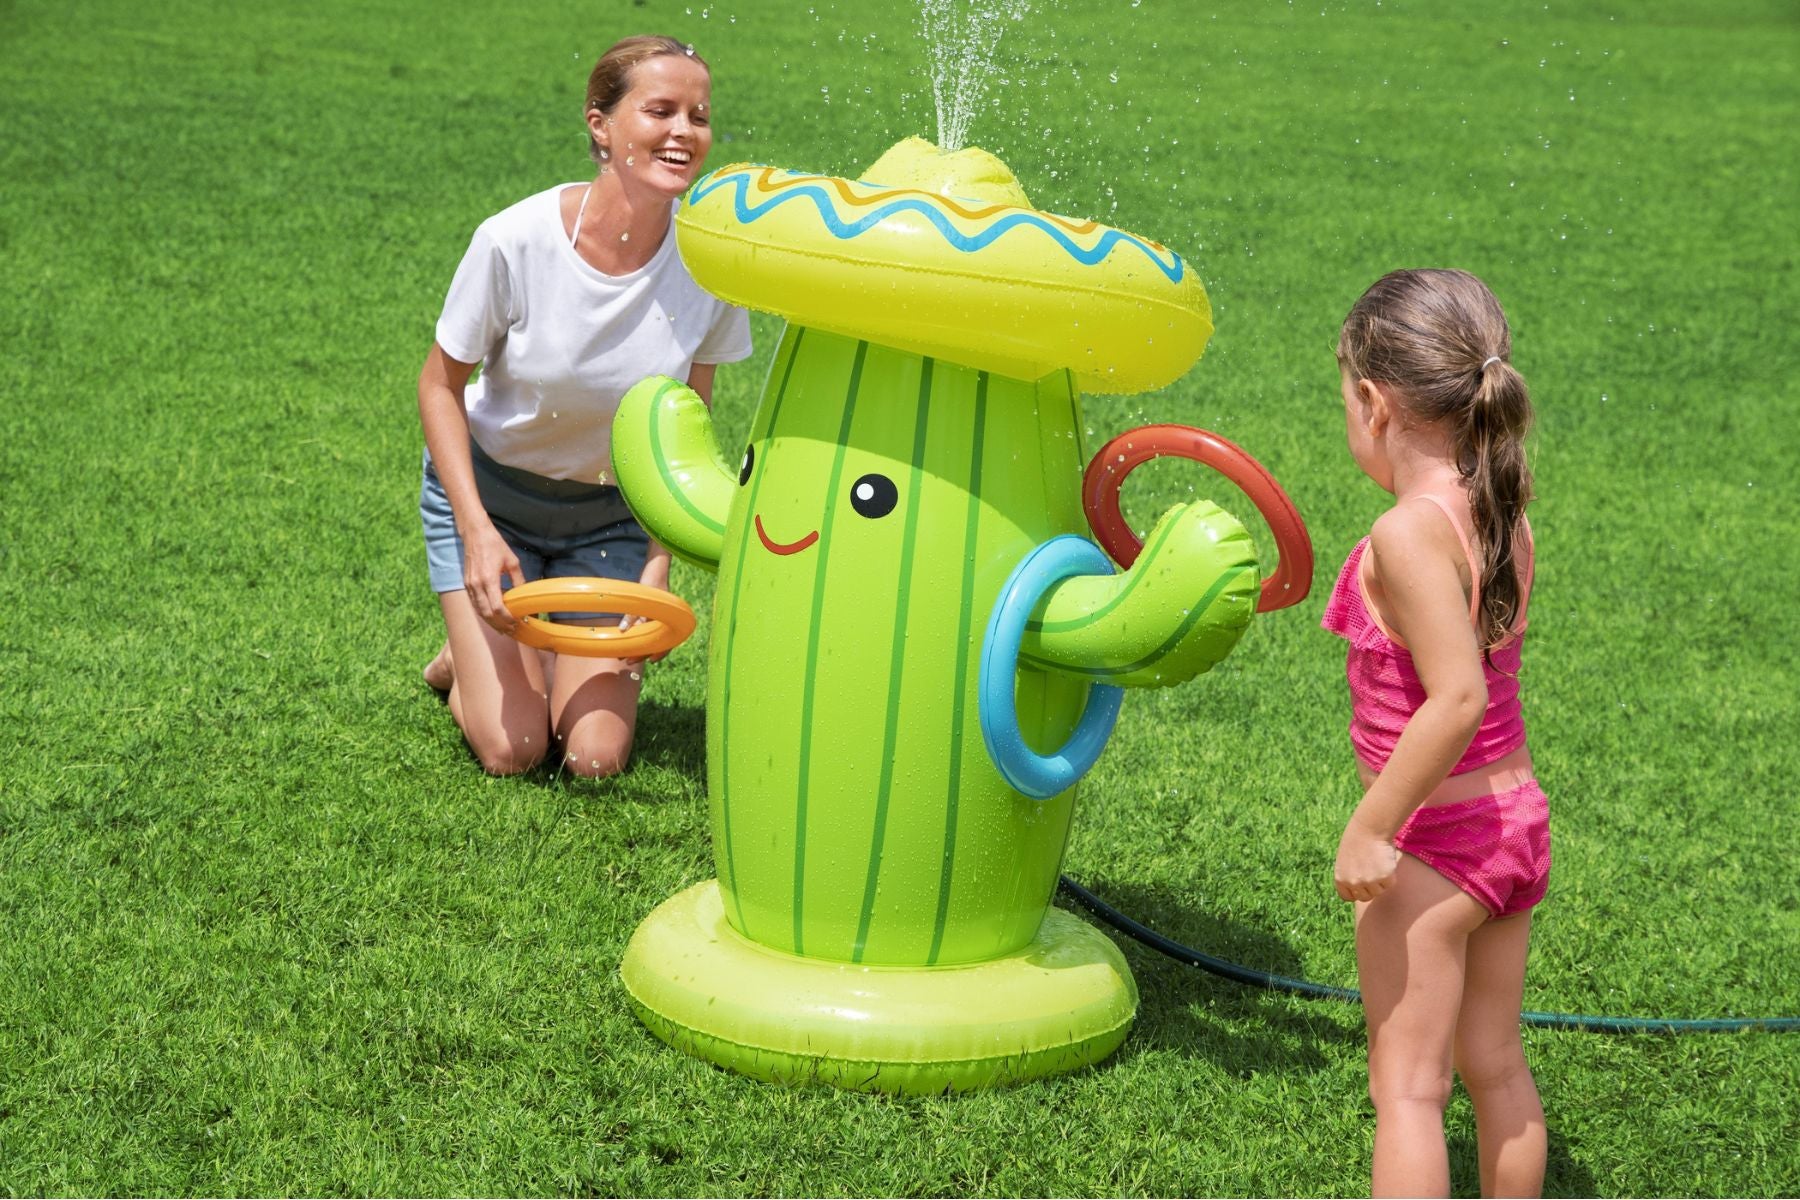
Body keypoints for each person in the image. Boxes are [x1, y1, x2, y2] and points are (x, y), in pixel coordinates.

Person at [417, 36, 750, 777]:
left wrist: (659, 564)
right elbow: (438, 386)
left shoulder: (711, 264)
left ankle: (491, 650)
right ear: (600, 125)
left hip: (612, 521)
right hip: (494, 504)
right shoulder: (515, 241)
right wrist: (475, 532)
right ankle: (468, 655)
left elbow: (687, 437)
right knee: (515, 749)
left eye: (698, 115)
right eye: (659, 110)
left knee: (595, 758)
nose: (683, 132)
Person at [1321, 269, 1548, 1196]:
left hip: (1438, 847)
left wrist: (1372, 826)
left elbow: (1454, 699)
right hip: (1515, 823)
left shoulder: (1407, 534)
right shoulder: (1500, 507)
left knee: (1410, 1092)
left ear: (1374, 403)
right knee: (1494, 1067)